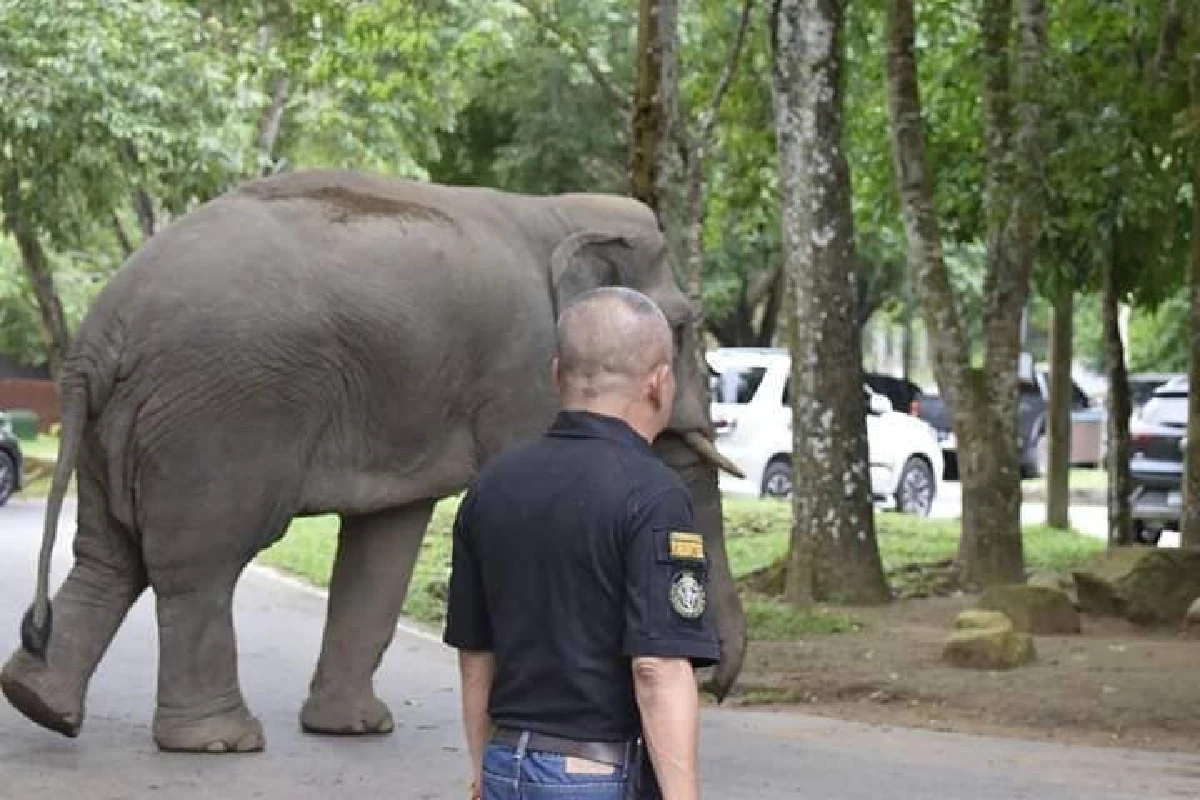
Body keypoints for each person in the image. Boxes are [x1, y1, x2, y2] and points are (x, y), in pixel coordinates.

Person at [443, 286, 720, 800]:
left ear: (556, 376)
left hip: (506, 763)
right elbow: (656, 667)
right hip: (593, 774)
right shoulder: (654, 495)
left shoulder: (491, 486)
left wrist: (483, 769)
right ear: (659, 384)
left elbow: (476, 653)